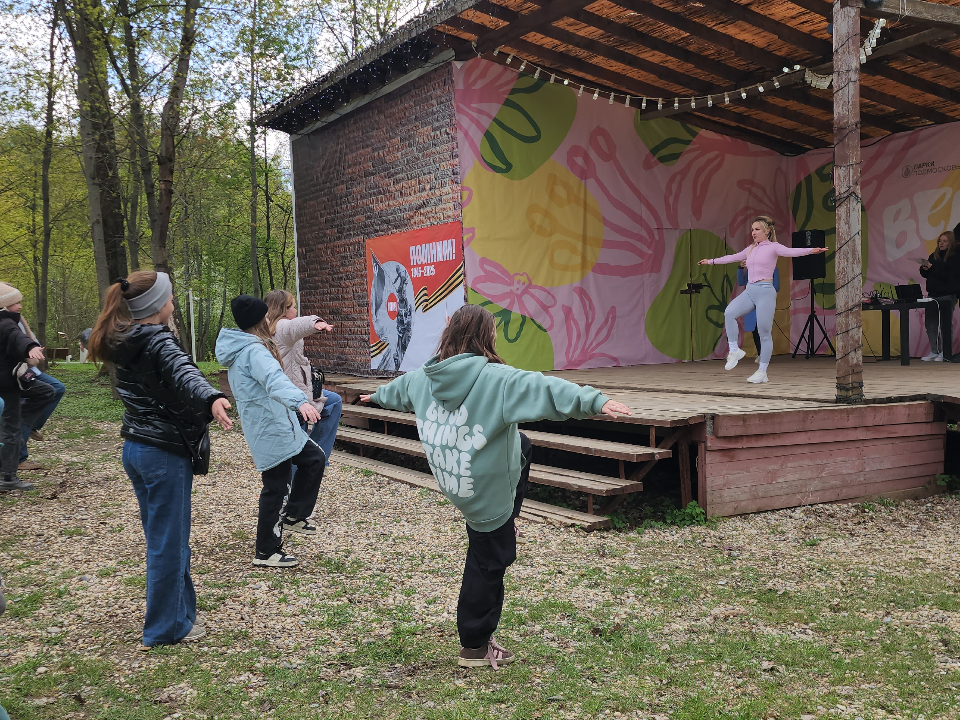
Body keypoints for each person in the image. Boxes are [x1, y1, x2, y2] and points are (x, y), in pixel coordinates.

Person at [359, 305, 632, 669]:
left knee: (521, 444)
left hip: (456, 475)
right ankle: (474, 644)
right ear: (486, 337)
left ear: (450, 336)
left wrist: (375, 396)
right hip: (484, 492)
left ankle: (509, 518)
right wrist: (595, 400)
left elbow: (397, 390)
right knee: (489, 562)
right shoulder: (496, 379)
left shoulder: (425, 376)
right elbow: (543, 387)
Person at [89, 271, 233, 647]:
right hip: (162, 453)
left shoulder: (125, 338)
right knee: (169, 542)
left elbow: (173, 376)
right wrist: (211, 398)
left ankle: (181, 615)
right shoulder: (158, 340)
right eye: (170, 298)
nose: (173, 304)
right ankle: (166, 627)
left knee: (163, 538)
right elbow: (185, 373)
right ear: (158, 305)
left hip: (136, 448)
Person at [215, 295, 325, 568]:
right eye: (265, 316)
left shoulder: (252, 347)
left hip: (281, 424)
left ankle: (294, 516)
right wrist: (300, 402)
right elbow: (275, 381)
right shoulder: (254, 352)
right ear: (259, 320)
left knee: (314, 458)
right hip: (270, 428)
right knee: (276, 487)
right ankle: (266, 550)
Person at [699, 215, 826, 383]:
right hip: (750, 290)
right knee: (729, 312)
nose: (753, 232)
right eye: (752, 229)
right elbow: (733, 257)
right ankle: (734, 349)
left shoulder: (774, 247)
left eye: (757, 229)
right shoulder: (751, 249)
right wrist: (711, 261)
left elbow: (791, 252)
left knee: (764, 332)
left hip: (766, 290)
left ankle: (762, 371)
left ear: (767, 231)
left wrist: (811, 250)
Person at [264, 290, 342, 466]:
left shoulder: (266, 328)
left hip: (288, 390)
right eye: (293, 306)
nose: (296, 310)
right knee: (295, 448)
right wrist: (315, 322)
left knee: (333, 401)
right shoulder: (282, 327)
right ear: (284, 309)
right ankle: (312, 461)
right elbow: (296, 325)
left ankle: (316, 454)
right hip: (293, 395)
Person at [0, 286, 67, 471]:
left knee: (51, 390)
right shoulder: (5, 322)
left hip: (22, 372)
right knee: (11, 425)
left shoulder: (14, 319)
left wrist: (33, 347)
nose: (20, 305)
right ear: (4, 305)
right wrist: (29, 347)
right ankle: (12, 470)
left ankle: (27, 427)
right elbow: (16, 337)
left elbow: (23, 338)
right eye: (16, 303)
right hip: (11, 378)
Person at [919, 231, 960, 362]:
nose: (941, 243)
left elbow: (949, 275)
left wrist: (933, 269)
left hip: (947, 294)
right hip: (933, 295)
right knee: (931, 324)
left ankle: (945, 352)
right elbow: (927, 274)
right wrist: (924, 268)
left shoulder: (954, 257)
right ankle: (934, 351)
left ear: (951, 242)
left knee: (945, 325)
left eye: (944, 241)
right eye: (939, 241)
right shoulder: (934, 256)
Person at [737, 262, 781, 364]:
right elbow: (740, 282)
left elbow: (776, 286)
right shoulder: (751, 269)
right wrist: (740, 268)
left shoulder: (773, 268)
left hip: (765, 300)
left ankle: (764, 354)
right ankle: (760, 352)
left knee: (763, 327)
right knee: (754, 327)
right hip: (752, 300)